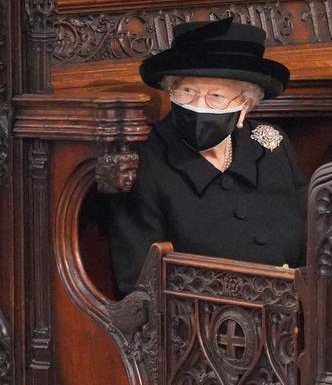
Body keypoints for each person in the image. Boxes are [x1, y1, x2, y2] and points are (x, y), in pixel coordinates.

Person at [108, 17, 305, 296]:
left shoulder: (272, 146)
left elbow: (311, 243)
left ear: (245, 107)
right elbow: (139, 285)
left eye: (216, 96)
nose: (199, 106)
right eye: (187, 92)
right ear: (171, 92)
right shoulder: (144, 162)